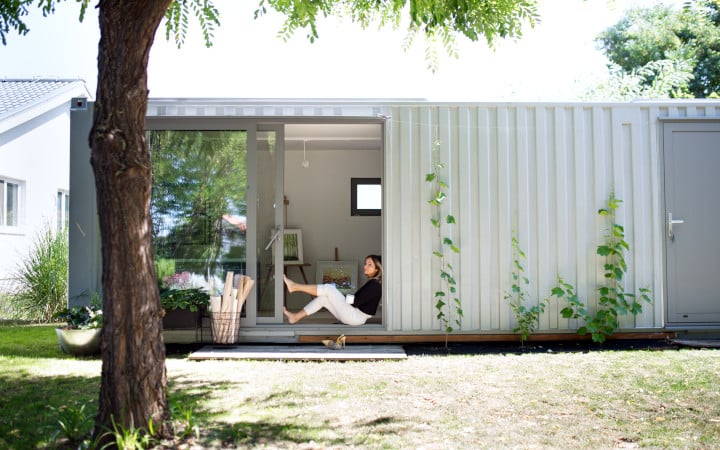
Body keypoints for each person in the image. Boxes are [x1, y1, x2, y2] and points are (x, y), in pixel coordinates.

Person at [282, 254, 382, 326]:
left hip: (355, 317)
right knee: (323, 299)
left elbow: (355, 301)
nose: (365, 266)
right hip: (354, 316)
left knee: (329, 289)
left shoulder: (375, 284)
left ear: (377, 269)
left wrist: (340, 295)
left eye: (369, 265)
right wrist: (339, 296)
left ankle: (295, 286)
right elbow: (357, 300)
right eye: (365, 263)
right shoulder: (374, 283)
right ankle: (295, 317)